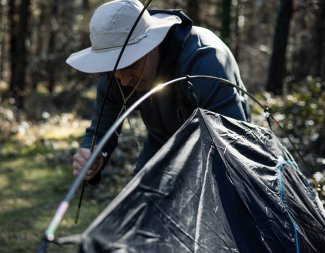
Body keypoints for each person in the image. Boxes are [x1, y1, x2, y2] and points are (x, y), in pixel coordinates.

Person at [67, 0, 250, 182]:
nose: (124, 79)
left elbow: (232, 147)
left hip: (213, 149)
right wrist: (92, 158)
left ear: (153, 43)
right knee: (141, 199)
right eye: (115, 70)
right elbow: (101, 131)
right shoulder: (115, 70)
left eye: (130, 65)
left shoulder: (204, 62)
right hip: (160, 143)